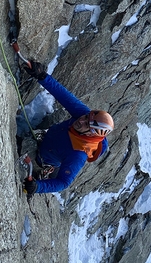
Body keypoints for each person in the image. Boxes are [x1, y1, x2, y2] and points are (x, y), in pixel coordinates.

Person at [22, 61, 114, 195]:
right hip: (47, 140)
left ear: (91, 134)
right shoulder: (83, 115)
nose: (81, 120)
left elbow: (64, 183)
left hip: (42, 158)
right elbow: (64, 96)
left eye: (87, 124)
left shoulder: (78, 154)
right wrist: (42, 76)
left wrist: (37, 187)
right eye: (86, 117)